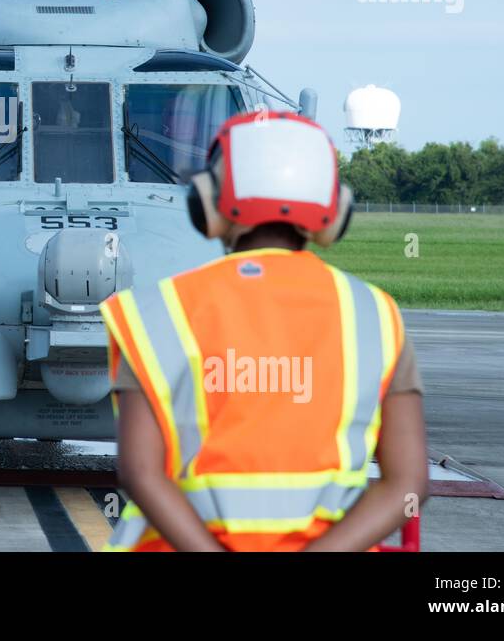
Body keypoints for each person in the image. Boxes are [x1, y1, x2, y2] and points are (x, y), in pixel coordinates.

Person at [101, 110, 428, 551]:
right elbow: (409, 486)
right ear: (334, 211)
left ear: (209, 201)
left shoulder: (154, 313)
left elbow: (141, 474)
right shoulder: (375, 314)